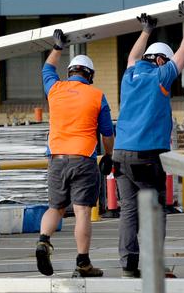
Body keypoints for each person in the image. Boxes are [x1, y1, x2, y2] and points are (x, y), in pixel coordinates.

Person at [112, 4, 184, 278]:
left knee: (128, 211)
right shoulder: (161, 77)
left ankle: (128, 264)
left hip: (121, 154)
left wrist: (145, 30)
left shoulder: (130, 75)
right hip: (147, 155)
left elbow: (132, 55)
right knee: (156, 209)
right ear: (162, 61)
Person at [35, 29, 114, 278]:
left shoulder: (55, 89)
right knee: (81, 211)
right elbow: (107, 133)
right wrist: (109, 156)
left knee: (55, 207)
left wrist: (58, 47)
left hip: (57, 158)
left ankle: (43, 241)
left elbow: (47, 69)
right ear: (89, 75)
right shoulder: (97, 96)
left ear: (70, 72)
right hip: (83, 159)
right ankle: (83, 262)